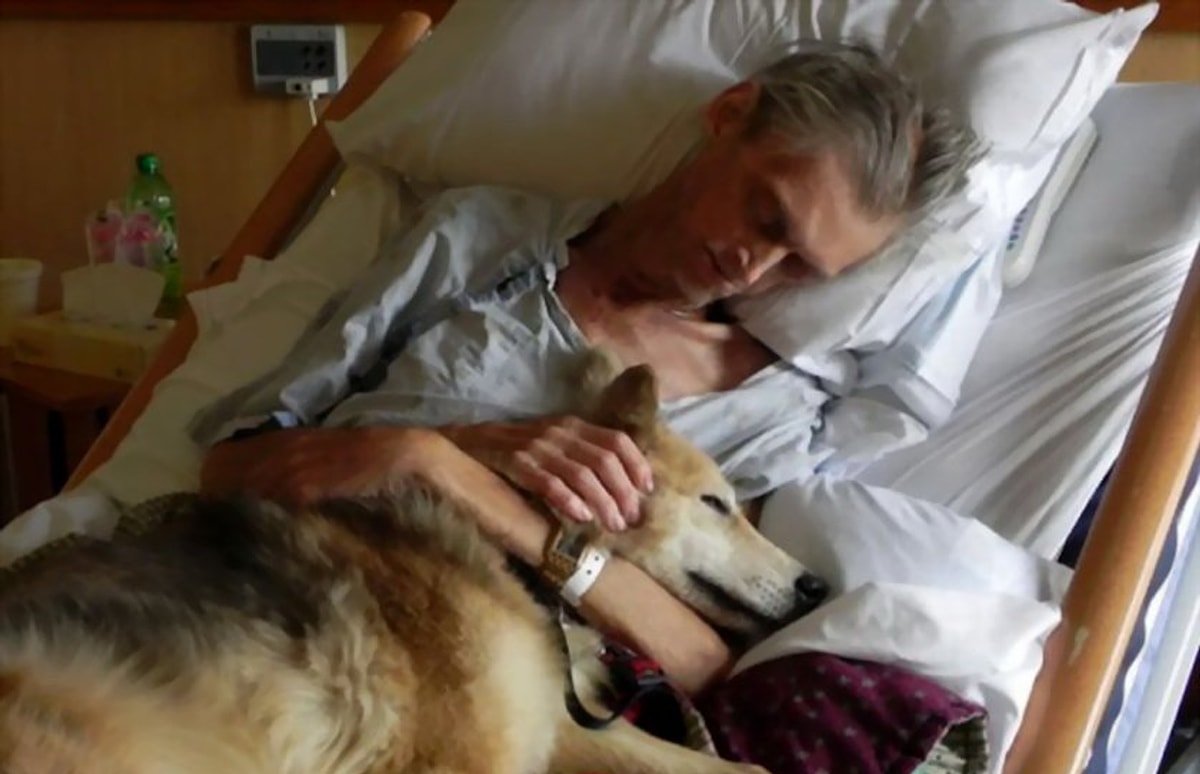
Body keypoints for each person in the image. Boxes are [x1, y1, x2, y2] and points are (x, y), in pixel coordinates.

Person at [194, 42, 979, 694]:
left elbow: (706, 666)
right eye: (766, 214)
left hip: (450, 687)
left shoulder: (763, 414)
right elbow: (228, 470)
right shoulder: (476, 243)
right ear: (729, 115)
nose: (755, 269)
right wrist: (460, 442)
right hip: (255, 605)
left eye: (800, 267)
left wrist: (447, 470)